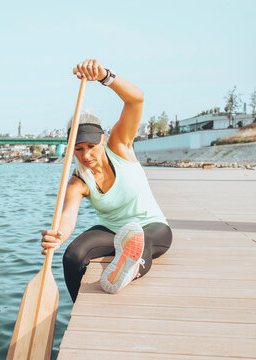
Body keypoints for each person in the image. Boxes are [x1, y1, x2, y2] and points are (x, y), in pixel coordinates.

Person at [41, 59, 173, 302]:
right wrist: (57, 236)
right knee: (73, 255)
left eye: (91, 146)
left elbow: (136, 99)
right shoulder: (78, 181)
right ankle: (77, 305)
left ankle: (127, 270)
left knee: (140, 239)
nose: (86, 155)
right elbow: (68, 216)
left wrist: (105, 76)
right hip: (112, 231)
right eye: (78, 149)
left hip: (151, 226)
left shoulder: (120, 146)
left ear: (103, 140)